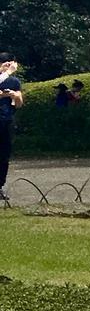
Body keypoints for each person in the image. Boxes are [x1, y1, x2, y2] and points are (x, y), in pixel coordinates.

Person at [0, 55, 23, 201]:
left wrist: (15, 96)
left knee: (4, 155)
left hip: (7, 120)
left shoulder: (14, 81)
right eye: (5, 64)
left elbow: (20, 103)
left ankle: (0, 185)